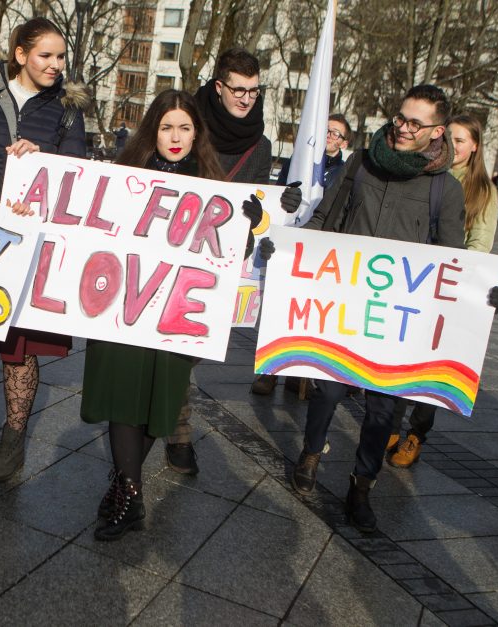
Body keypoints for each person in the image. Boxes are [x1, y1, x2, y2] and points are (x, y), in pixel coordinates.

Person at [276, 84, 498, 533]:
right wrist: (291, 250)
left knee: (385, 410)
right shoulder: (360, 164)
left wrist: (486, 297)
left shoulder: (445, 190)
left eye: (415, 123)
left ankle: (362, 485)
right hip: (344, 307)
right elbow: (326, 220)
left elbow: (452, 263)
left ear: (437, 132)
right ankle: (310, 452)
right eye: (400, 118)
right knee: (327, 390)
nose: (402, 128)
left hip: (399, 321)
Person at [81, 89, 263, 540]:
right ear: (152, 131)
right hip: (124, 311)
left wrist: (249, 225)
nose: (176, 136)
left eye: (185, 127)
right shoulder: (126, 175)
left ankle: (124, 493)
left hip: (175, 317)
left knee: (153, 405)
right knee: (124, 401)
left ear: (197, 132)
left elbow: (232, 254)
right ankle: (130, 496)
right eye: (167, 127)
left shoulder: (212, 185)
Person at [0, 17, 88, 483]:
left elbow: (76, 176)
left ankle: (11, 445)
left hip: (32, 247)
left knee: (16, 351)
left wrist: (43, 160)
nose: (55, 65)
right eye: (46, 55)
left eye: (61, 57)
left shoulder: (68, 110)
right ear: (21, 53)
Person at [182, 46, 303, 472]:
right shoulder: (189, 122)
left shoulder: (260, 144)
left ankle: (176, 429)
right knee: (167, 345)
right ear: (219, 87)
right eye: (239, 89)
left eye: (254, 91)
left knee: (192, 346)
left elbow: (258, 208)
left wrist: (272, 209)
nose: (247, 98)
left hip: (223, 257)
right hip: (175, 246)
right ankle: (173, 429)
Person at [386, 113, 498, 468]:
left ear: (475, 146)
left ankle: (417, 433)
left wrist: (460, 271)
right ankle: (390, 422)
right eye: (450, 136)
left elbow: (481, 241)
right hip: (417, 281)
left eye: (462, 139)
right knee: (404, 355)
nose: (455, 143)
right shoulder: (430, 173)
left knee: (434, 365)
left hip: (450, 283)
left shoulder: (482, 190)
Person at [257, 113, 352, 396]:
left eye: (338, 135)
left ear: (345, 142)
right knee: (280, 306)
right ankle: (268, 372)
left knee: (307, 313)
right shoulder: (297, 162)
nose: (331, 138)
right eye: (328, 131)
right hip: (292, 237)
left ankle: (297, 374)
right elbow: (280, 196)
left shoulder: (344, 171)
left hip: (322, 246)